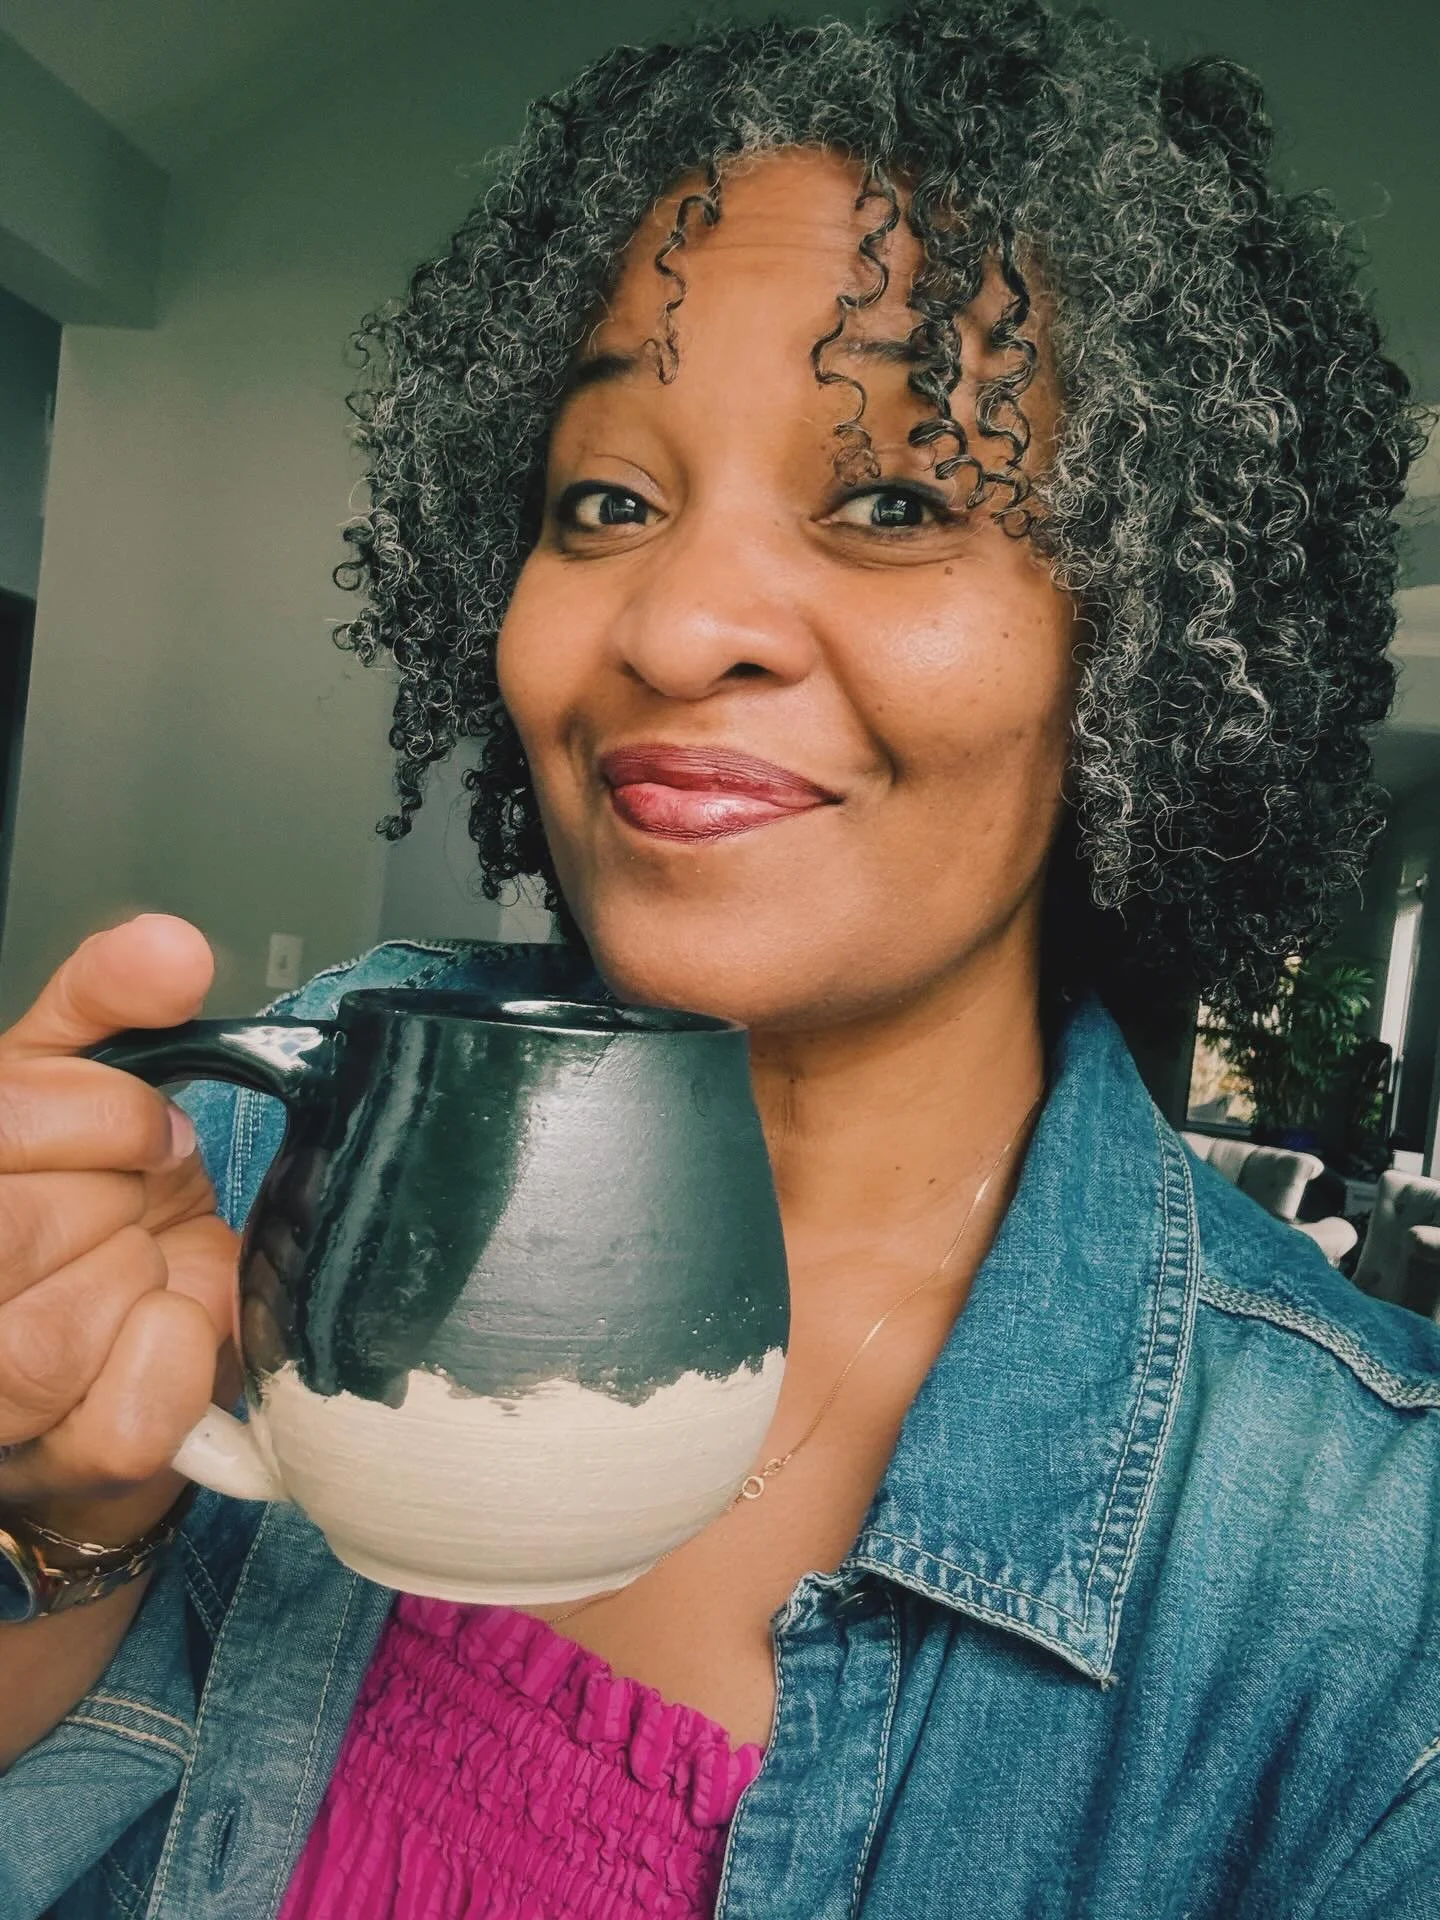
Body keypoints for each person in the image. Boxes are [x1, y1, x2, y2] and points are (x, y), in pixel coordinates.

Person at [0, 1, 1435, 1914]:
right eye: (608, 499)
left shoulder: (1361, 1573)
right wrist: (58, 1528)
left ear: (1152, 653)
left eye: (898, 499)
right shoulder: (248, 1166)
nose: (676, 627)